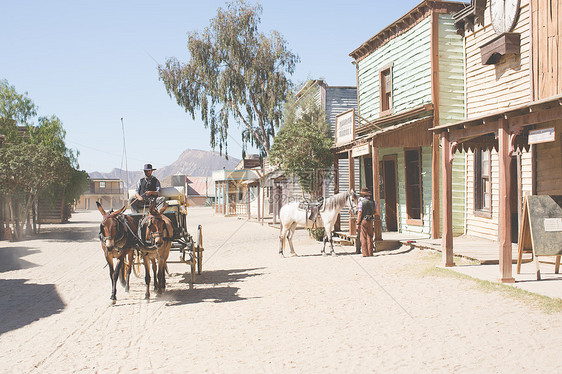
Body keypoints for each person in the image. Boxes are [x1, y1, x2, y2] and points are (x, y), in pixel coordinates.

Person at [357, 187, 376, 257]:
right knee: (370, 236)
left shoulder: (361, 203)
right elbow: (375, 212)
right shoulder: (373, 202)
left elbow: (360, 213)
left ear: (362, 195)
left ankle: (365, 253)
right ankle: (370, 252)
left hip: (364, 220)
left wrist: (358, 223)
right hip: (371, 220)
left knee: (363, 237)